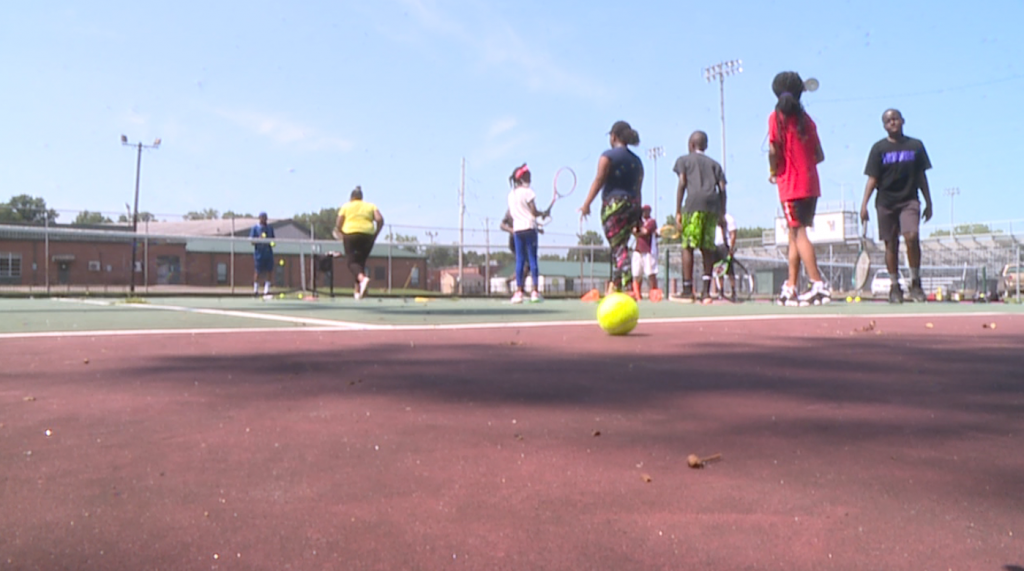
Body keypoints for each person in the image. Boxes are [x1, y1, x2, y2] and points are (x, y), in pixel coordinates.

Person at [768, 71, 831, 306]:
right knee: (793, 234)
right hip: (811, 184)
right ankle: (791, 286)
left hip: (790, 185)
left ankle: (818, 284)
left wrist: (774, 170)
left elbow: (773, 150)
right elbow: (819, 155)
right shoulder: (808, 121)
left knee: (799, 233)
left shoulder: (776, 118)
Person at [859, 108, 933, 304]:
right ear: (884, 126)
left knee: (912, 237)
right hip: (886, 203)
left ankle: (915, 283)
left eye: (895, 119)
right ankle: (894, 286)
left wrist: (929, 201)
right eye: (888, 120)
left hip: (909, 200)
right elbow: (872, 179)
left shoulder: (915, 146)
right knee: (891, 244)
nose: (892, 122)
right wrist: (864, 205)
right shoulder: (878, 149)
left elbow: (921, 176)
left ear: (903, 121)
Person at [579, 120, 644, 298]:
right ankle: (615, 286)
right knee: (620, 246)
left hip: (614, 206)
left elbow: (599, 180)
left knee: (618, 249)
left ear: (613, 137)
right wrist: (638, 217)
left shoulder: (607, 156)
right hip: (632, 205)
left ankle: (629, 287)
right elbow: (638, 189)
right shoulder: (637, 161)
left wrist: (586, 204)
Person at [673, 130, 727, 303]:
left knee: (688, 246)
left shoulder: (684, 160)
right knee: (707, 248)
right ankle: (705, 292)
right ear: (706, 146)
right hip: (712, 206)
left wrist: (678, 211)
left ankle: (687, 289)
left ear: (691, 145)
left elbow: (682, 182)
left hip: (693, 205)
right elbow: (722, 189)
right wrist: (722, 213)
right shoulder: (715, 164)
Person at [335, 186, 384, 300]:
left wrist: (341, 233)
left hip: (350, 234)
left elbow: (338, 223)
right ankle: (358, 291)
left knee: (351, 262)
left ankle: (362, 279)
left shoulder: (346, 206)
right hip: (368, 235)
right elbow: (380, 219)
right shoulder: (370, 206)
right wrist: (376, 233)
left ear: (351, 198)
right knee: (360, 263)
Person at [507, 164, 545, 303]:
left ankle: (518, 292)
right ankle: (535, 292)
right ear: (521, 178)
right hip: (529, 228)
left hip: (517, 230)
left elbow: (513, 214)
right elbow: (533, 212)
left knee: (520, 260)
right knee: (532, 259)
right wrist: (542, 213)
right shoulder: (528, 192)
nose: (530, 178)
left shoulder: (511, 195)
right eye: (528, 175)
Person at [631, 205, 658, 298]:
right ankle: (637, 294)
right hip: (638, 250)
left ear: (650, 211)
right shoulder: (639, 222)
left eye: (646, 211)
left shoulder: (652, 222)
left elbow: (645, 232)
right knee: (637, 274)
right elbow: (634, 231)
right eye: (643, 211)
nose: (644, 212)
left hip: (649, 251)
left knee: (651, 273)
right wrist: (638, 231)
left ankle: (654, 293)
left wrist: (638, 232)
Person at [711, 211, 738, 301]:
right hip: (716, 246)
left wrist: (731, 248)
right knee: (719, 270)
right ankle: (721, 291)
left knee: (730, 271)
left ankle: (733, 291)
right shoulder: (714, 219)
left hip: (725, 247)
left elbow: (733, 234)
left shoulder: (729, 218)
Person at [250, 212, 275, 298]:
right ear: (259, 218)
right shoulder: (255, 228)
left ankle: (266, 291)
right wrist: (259, 239)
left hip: (268, 253)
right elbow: (252, 242)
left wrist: (271, 243)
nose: (264, 219)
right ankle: (255, 290)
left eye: (265, 217)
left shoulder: (270, 228)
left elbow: (273, 241)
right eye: (263, 217)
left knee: (269, 271)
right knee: (258, 271)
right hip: (259, 254)